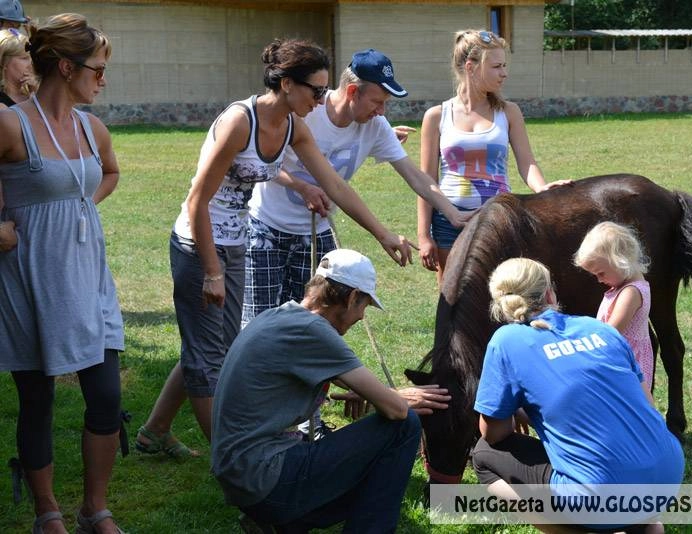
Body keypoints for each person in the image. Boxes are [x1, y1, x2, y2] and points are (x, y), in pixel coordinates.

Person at [135, 39, 416, 461]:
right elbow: (197, 201)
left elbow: (336, 187)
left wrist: (382, 233)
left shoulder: (293, 126)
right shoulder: (239, 121)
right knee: (211, 355)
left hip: (234, 241)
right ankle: (232, 460)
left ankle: (155, 431)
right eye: (315, 91)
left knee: (214, 345)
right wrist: (211, 269)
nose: (321, 100)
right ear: (286, 84)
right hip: (200, 243)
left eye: (325, 91)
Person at [212, 248, 451, 533]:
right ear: (351, 298)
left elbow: (344, 379)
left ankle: (285, 523)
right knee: (404, 427)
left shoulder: (280, 316)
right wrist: (394, 398)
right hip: (265, 479)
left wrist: (373, 394)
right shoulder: (313, 330)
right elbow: (397, 410)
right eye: (364, 306)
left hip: (242, 477)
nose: (362, 317)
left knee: (374, 467)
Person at [0, 13, 125, 534]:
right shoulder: (11, 123)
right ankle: (46, 511)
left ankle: (94, 508)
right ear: (68, 67)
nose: (103, 79)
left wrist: (79, 203)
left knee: (106, 395)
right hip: (31, 275)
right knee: (37, 397)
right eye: (97, 68)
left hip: (87, 271)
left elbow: (111, 171)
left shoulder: (91, 127)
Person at [242, 48, 472, 325]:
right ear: (352, 92)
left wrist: (452, 212)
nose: (381, 111)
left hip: (315, 234)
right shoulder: (306, 111)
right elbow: (262, 162)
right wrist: (302, 187)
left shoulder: (375, 126)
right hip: (267, 228)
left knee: (307, 323)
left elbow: (415, 175)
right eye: (377, 101)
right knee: (258, 322)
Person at [471, 258, 683, 533]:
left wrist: (522, 410)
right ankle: (645, 525)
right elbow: (646, 405)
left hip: (598, 496)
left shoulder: (506, 341)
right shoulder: (601, 329)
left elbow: (494, 434)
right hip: (667, 475)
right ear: (550, 293)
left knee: (484, 455)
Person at [416, 29, 571, 286]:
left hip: (499, 217)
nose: (504, 73)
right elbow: (426, 181)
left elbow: (527, 162)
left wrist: (542, 188)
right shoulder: (436, 116)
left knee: (501, 293)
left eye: (505, 66)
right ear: (471, 67)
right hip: (448, 222)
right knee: (452, 298)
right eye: (497, 66)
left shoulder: (509, 112)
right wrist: (424, 236)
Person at [574, 221, 655, 391]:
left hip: (626, 364)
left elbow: (611, 333)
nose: (599, 279)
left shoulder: (630, 293)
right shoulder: (621, 286)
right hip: (617, 358)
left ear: (621, 260)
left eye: (601, 273)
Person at [1, 27, 37, 108]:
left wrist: (36, 92)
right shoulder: (2, 104)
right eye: (24, 58)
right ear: (4, 62)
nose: (31, 64)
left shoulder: (33, 93)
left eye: (31, 58)